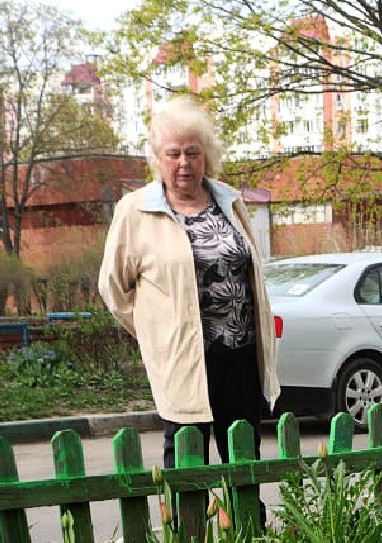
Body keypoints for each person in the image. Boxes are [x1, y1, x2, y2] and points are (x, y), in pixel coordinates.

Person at [99, 96, 279, 469]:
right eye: (174, 153)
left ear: (206, 155)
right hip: (184, 360)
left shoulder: (228, 201)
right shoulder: (135, 211)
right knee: (187, 466)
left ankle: (249, 529)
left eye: (193, 153)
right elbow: (114, 289)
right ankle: (187, 530)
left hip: (241, 357)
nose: (184, 163)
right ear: (158, 158)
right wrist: (157, 333)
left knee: (244, 463)